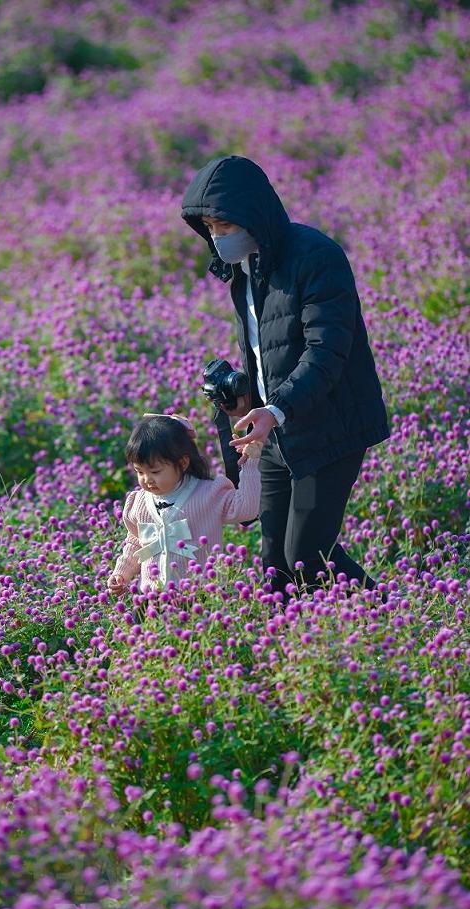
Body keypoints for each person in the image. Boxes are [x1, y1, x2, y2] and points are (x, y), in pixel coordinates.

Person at [181, 155, 389, 600]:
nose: (217, 236)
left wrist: (275, 408)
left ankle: (393, 619)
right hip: (274, 430)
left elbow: (327, 351)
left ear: (252, 214)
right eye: (210, 227)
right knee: (275, 562)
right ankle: (295, 644)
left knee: (307, 554)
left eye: (224, 224)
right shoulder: (246, 267)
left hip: (331, 424)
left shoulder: (317, 257)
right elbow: (263, 349)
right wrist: (245, 401)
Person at [107, 413, 262, 595]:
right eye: (139, 471)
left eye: (155, 471)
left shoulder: (208, 494)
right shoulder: (140, 502)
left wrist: (251, 464)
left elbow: (247, 509)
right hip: (152, 598)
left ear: (182, 463)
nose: (147, 479)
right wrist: (122, 573)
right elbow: (136, 543)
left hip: (201, 595)